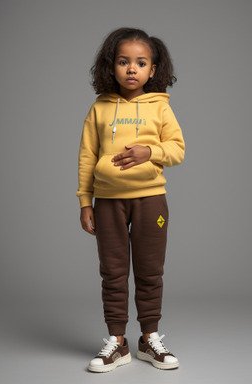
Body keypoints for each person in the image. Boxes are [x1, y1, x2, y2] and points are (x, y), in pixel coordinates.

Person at [76, 27, 185, 373]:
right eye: (124, 62)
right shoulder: (99, 109)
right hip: (108, 201)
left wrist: (149, 151)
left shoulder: (160, 108)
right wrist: (84, 202)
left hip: (150, 198)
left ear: (153, 70)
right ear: (112, 67)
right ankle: (117, 343)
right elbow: (87, 156)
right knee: (113, 272)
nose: (132, 69)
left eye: (140, 62)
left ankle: (149, 339)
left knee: (150, 271)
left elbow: (178, 149)